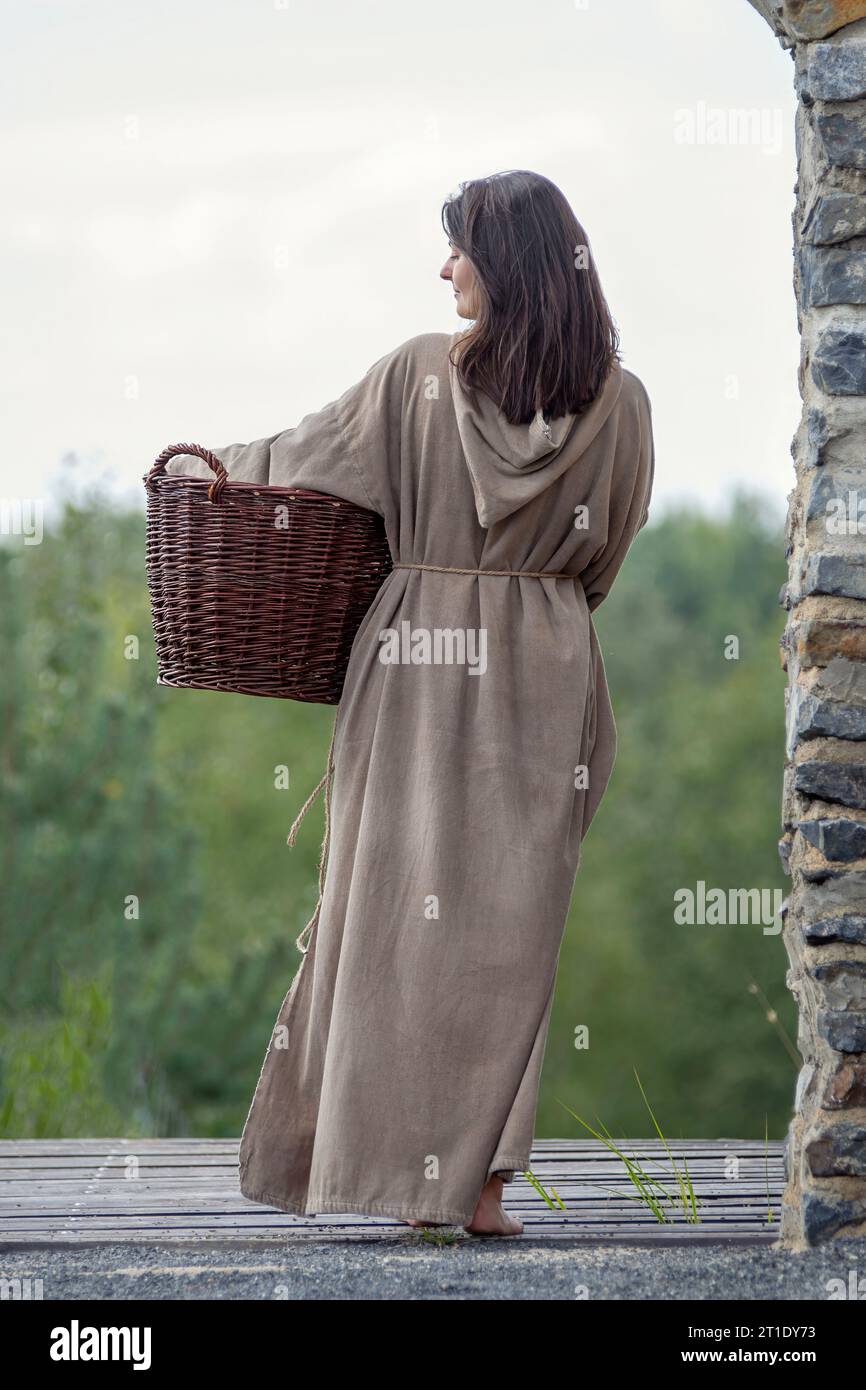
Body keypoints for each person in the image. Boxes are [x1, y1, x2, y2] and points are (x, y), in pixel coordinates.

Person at [163, 169, 655, 1236]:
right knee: (507, 934)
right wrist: (539, 610)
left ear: (504, 262)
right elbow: (606, 551)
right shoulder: (621, 400)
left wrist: (193, 471)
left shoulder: (415, 376)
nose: (444, 271)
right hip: (545, 665)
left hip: (415, 661)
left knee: (389, 915)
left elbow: (296, 466)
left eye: (457, 251)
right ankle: (477, 1187)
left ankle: (384, 1169)